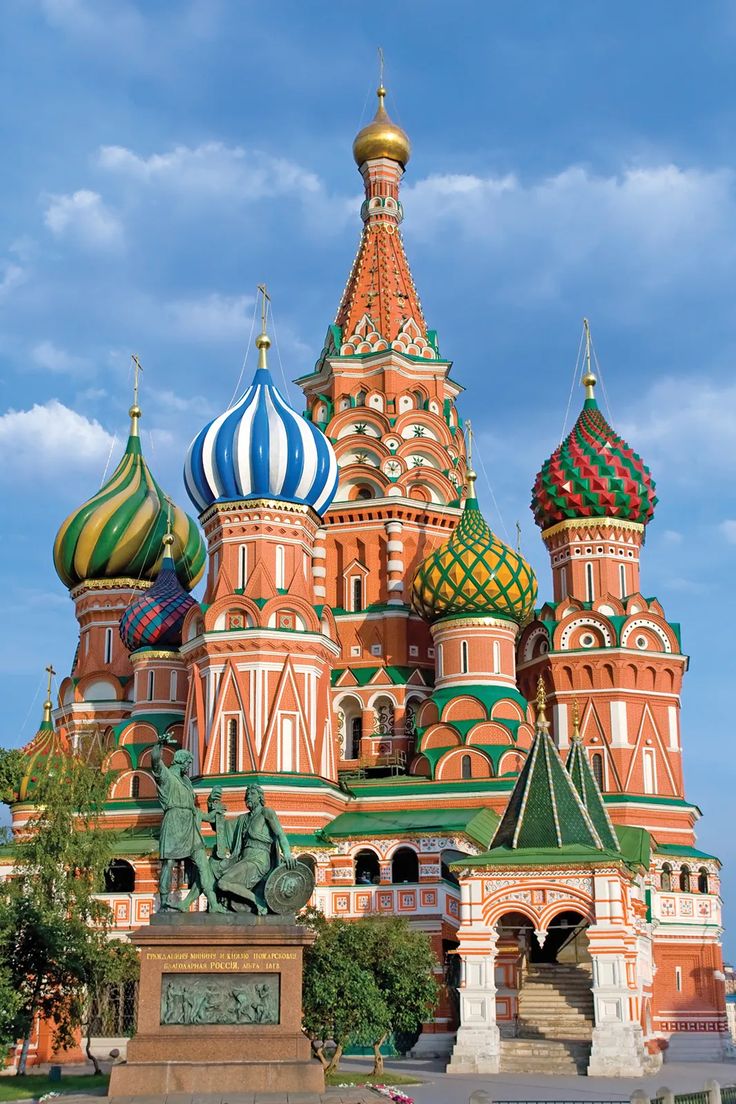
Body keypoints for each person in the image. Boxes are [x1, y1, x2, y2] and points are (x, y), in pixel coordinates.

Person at [150, 733, 224, 913]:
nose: (189, 767)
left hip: (190, 827)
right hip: (174, 822)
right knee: (168, 863)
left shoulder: (187, 782)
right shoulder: (167, 776)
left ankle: (213, 903)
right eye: (188, 764)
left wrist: (210, 816)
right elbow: (155, 763)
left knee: (203, 864)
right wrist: (159, 745)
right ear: (180, 762)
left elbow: (193, 809)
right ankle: (165, 902)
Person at [214, 784, 296, 914]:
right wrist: (213, 806)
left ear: (260, 797)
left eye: (252, 794)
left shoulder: (266, 812)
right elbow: (221, 827)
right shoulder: (243, 819)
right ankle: (250, 902)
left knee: (223, 883)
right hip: (243, 859)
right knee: (217, 876)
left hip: (259, 860)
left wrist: (287, 854)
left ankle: (258, 902)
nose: (248, 796)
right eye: (247, 794)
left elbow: (280, 834)